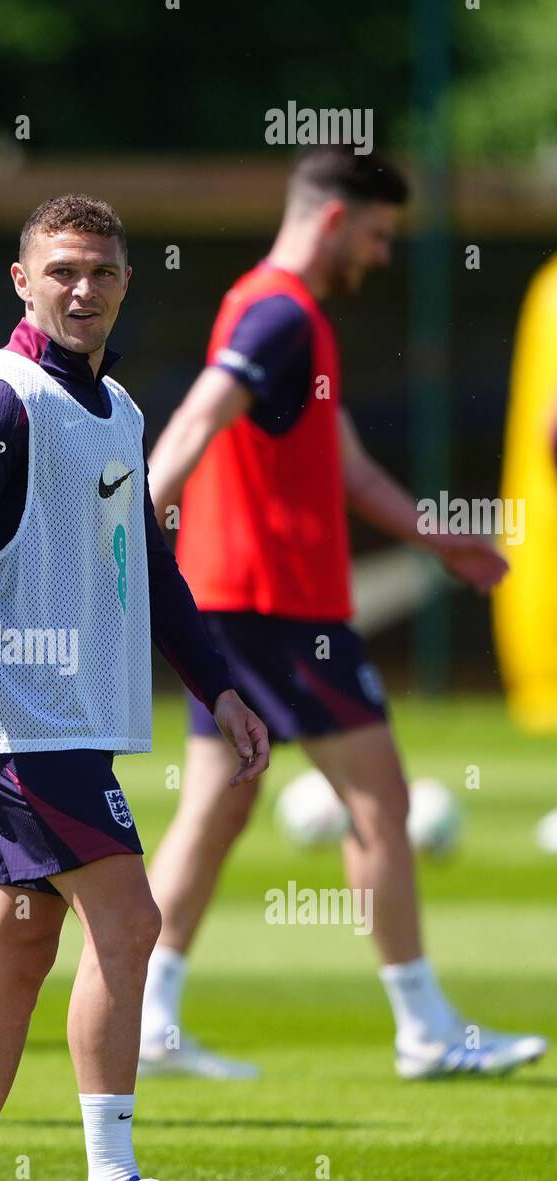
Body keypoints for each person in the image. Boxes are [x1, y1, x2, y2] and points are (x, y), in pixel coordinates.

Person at [0, 194, 269, 1181]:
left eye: (100, 271)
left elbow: (153, 567)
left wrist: (218, 683)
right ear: (23, 280)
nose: (82, 289)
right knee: (131, 921)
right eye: (61, 271)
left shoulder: (119, 411)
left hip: (72, 718)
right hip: (15, 715)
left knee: (16, 943)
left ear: (126, 283)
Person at [141, 145, 548, 1081]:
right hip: (278, 606)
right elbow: (197, 420)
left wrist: (440, 539)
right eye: (375, 234)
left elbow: (346, 464)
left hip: (238, 596)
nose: (379, 254)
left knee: (217, 805)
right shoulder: (282, 313)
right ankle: (423, 1027)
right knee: (381, 799)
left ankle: (146, 1013)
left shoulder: (269, 306)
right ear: (332, 221)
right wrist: (118, 540)